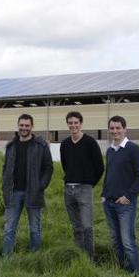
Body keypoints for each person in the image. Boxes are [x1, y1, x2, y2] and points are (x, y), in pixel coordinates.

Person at [101, 115, 139, 276]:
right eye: (112, 128)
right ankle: (122, 269)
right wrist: (103, 195)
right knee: (115, 240)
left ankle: (136, 273)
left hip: (125, 204)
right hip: (109, 202)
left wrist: (128, 196)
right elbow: (109, 175)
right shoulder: (110, 151)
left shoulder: (134, 150)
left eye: (118, 128)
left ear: (125, 129)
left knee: (127, 241)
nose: (115, 131)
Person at [2, 114, 53, 255]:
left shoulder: (40, 145)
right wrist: (5, 185)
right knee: (9, 228)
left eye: (27, 125)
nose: (24, 128)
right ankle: (6, 257)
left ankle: (34, 256)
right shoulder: (11, 146)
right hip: (13, 193)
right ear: (18, 125)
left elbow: (48, 167)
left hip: (33, 192)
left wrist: (41, 185)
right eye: (22, 125)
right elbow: (5, 167)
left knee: (35, 228)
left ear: (32, 126)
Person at [59, 111, 104, 260]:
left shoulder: (90, 142)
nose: (73, 125)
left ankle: (90, 258)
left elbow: (100, 167)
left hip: (84, 189)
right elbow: (65, 165)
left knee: (87, 226)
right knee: (76, 227)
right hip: (68, 190)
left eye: (76, 122)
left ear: (81, 124)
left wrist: (89, 183)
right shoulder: (65, 144)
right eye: (70, 123)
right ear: (67, 124)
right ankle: (80, 256)